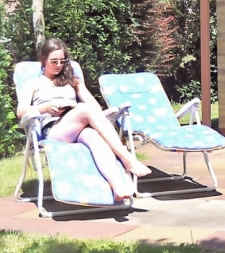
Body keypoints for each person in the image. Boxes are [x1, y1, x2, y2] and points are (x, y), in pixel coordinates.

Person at [16, 38, 152, 201]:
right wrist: (46, 107)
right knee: (84, 110)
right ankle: (128, 159)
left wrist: (72, 106)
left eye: (62, 61)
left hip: (77, 126)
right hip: (53, 131)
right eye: (54, 61)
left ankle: (117, 187)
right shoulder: (34, 84)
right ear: (43, 59)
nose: (58, 65)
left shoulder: (73, 81)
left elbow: (94, 106)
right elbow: (21, 111)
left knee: (93, 136)